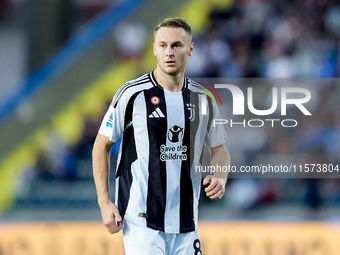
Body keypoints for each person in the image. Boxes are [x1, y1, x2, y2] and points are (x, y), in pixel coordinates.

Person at [92, 17, 230, 255]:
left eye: (177, 45)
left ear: (190, 49)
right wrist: (104, 203)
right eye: (163, 45)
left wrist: (220, 176)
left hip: (187, 221)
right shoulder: (132, 94)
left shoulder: (204, 98)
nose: (169, 52)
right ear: (154, 49)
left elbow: (219, 148)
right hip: (142, 221)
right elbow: (100, 146)